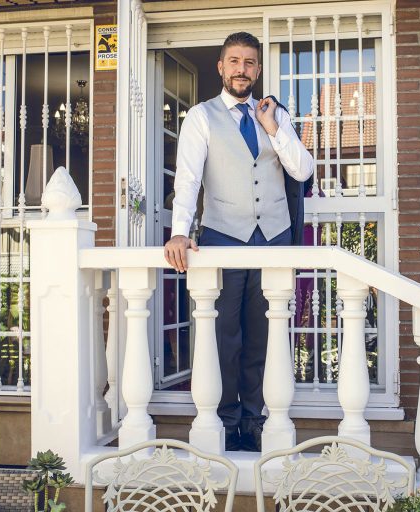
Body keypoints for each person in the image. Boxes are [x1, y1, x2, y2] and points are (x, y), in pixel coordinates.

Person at [164, 32, 314, 451]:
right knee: (225, 334)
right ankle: (226, 420)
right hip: (223, 236)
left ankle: (255, 419)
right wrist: (180, 230)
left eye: (249, 62)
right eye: (234, 61)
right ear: (221, 67)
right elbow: (189, 179)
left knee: (264, 333)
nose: (241, 69)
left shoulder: (274, 114)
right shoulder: (200, 116)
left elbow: (302, 171)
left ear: (258, 70)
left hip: (273, 237)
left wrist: (274, 129)